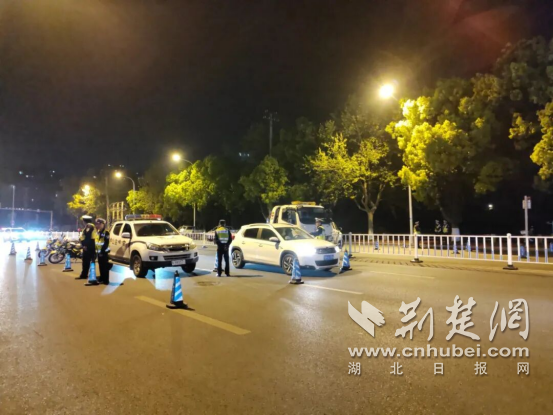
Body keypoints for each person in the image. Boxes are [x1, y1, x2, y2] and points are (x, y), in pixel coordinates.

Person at [76, 215, 97, 280]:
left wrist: (85, 245)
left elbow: (88, 237)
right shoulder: (89, 227)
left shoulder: (89, 227)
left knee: (86, 261)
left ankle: (85, 275)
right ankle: (85, 275)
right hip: (88, 246)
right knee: (86, 261)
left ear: (84, 221)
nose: (83, 222)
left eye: (83, 221)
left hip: (89, 247)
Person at [95, 218, 111, 285]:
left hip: (104, 252)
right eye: (97, 224)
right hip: (99, 252)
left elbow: (106, 243)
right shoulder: (98, 232)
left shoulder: (106, 232)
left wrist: (102, 252)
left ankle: (106, 280)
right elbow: (97, 242)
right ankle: (101, 278)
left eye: (99, 224)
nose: (98, 225)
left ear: (103, 224)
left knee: (105, 267)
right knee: (100, 266)